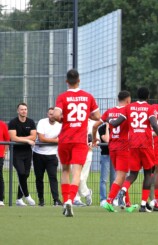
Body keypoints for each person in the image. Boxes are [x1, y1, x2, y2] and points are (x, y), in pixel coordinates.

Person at [108, 87, 158, 212]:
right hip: (146, 144)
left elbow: (115, 123)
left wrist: (109, 119)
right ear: (148, 96)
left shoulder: (129, 107)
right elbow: (154, 125)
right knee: (148, 174)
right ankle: (142, 205)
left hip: (132, 145)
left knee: (133, 174)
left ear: (137, 96)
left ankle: (123, 190)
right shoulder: (150, 108)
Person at [53, 69, 100, 217]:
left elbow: (55, 115)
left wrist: (62, 119)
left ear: (67, 82)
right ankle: (70, 200)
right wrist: (87, 115)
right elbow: (98, 115)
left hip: (65, 139)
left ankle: (66, 199)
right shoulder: (87, 97)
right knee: (77, 171)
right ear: (79, 80)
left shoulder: (62, 96)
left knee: (65, 170)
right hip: (80, 140)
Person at [92, 90, 134, 212]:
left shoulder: (110, 111)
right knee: (121, 176)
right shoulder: (128, 111)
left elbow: (95, 126)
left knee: (121, 176)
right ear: (128, 100)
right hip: (123, 147)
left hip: (112, 147)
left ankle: (128, 204)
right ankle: (109, 201)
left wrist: (95, 138)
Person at [33, 107, 63, 206]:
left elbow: (62, 138)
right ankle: (41, 199)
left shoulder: (60, 124)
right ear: (47, 114)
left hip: (52, 155)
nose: (52, 116)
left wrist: (48, 139)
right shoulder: (42, 122)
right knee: (39, 178)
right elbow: (41, 138)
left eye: (53, 114)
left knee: (53, 177)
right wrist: (55, 140)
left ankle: (56, 200)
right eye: (50, 114)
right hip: (38, 154)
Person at [8, 102, 37, 206]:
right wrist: (27, 140)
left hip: (27, 152)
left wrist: (23, 140)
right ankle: (27, 195)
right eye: (21, 109)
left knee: (26, 174)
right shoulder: (13, 122)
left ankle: (19, 199)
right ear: (18, 111)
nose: (23, 111)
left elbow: (33, 136)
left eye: (25, 109)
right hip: (16, 152)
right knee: (21, 173)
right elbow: (13, 138)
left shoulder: (31, 122)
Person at [73, 119, 97, 207]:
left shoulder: (92, 124)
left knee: (82, 177)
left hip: (88, 152)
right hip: (76, 151)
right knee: (76, 175)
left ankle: (83, 194)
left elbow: (95, 138)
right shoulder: (76, 122)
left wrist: (95, 142)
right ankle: (80, 196)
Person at [97, 122, 115, 207]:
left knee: (114, 179)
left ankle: (113, 198)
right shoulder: (101, 128)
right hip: (105, 155)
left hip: (115, 155)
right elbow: (107, 139)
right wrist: (107, 128)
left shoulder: (116, 127)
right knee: (104, 179)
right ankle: (103, 199)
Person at [0, 120, 10, 206]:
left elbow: (7, 140)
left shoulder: (2, 124)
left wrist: (5, 153)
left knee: (0, 176)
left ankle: (0, 199)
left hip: (0, 155)